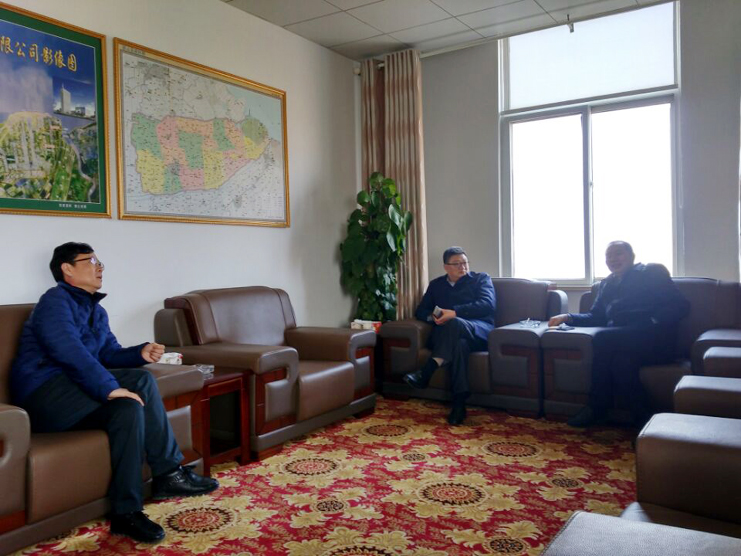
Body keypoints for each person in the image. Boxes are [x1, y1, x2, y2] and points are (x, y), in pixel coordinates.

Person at [10, 243, 219, 544]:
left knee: (129, 406)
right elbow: (69, 351)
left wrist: (139, 352)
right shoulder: (54, 302)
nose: (100, 267)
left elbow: (108, 353)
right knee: (136, 385)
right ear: (67, 268)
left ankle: (128, 511)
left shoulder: (96, 310)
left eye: (100, 262)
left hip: (74, 392)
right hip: (44, 396)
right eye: (91, 261)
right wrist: (109, 388)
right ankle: (169, 473)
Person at [549, 240, 690, 428]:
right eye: (609, 255)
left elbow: (681, 305)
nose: (613, 259)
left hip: (654, 340)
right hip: (623, 342)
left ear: (631, 256)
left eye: (618, 253)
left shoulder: (651, 273)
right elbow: (596, 316)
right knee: (621, 364)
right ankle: (646, 423)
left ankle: (597, 406)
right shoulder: (606, 284)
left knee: (602, 338)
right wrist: (568, 317)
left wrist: (652, 321)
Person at [403, 246, 496, 426]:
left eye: (465, 262)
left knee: (454, 323)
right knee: (459, 345)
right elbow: (421, 311)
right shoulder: (436, 285)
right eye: (457, 264)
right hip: (451, 336)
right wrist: (433, 318)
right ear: (446, 267)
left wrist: (454, 313)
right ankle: (459, 405)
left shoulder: (481, 279)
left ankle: (427, 371)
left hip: (479, 329)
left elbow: (487, 305)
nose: (463, 267)